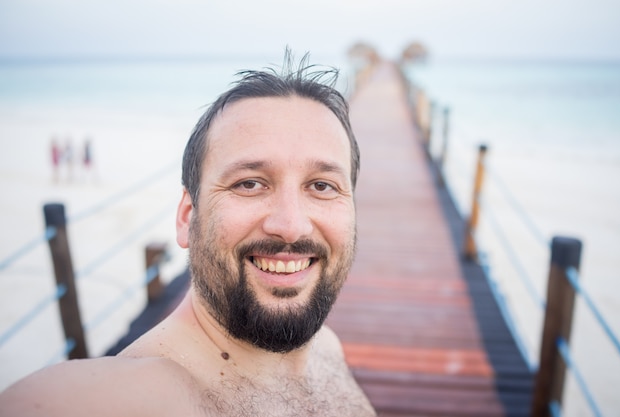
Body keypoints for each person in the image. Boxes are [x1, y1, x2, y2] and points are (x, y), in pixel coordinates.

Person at [0, 52, 375, 416]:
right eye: (249, 183)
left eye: (323, 186)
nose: (291, 224)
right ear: (186, 218)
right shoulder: (132, 394)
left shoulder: (328, 350)